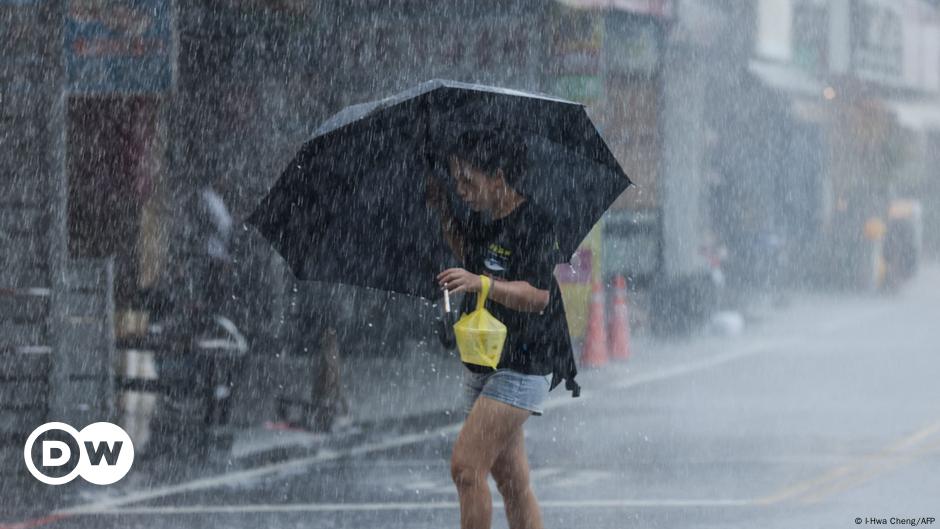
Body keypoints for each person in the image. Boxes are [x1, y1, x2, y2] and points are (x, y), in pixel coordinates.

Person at [427, 128, 577, 529]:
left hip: (525, 364)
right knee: (511, 482)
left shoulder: (534, 221)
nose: (461, 189)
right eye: (456, 181)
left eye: (468, 180)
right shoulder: (487, 220)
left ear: (498, 177)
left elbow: (539, 295)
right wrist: (443, 209)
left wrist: (483, 284)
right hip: (488, 362)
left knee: (466, 467)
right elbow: (472, 256)